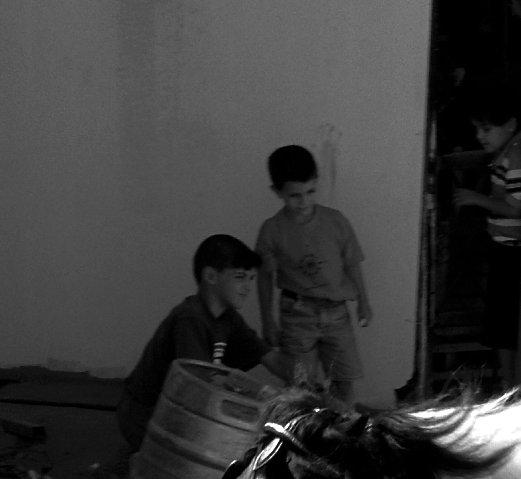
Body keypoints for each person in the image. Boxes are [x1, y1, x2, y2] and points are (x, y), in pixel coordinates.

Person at [114, 235, 290, 452]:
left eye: (252, 279)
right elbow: (201, 383)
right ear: (210, 276)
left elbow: (271, 357)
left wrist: (307, 384)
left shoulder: (229, 318)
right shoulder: (190, 318)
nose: (247, 287)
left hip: (177, 412)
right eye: (240, 277)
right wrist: (263, 395)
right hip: (148, 417)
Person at [255, 145, 371, 406]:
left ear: (316, 184)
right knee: (300, 384)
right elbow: (265, 278)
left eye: (310, 192)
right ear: (278, 192)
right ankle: (305, 433)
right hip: (296, 314)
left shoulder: (336, 221)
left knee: (344, 377)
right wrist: (267, 321)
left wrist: (364, 301)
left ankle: (345, 429)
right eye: (295, 196)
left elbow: (352, 263)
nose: (304, 202)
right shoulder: (272, 230)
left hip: (337, 312)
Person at [452, 87, 521, 373]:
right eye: (477, 129)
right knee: (501, 325)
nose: (480, 136)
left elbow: (515, 208)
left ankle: (513, 385)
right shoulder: (510, 151)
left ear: (509, 124)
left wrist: (475, 198)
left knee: (505, 326)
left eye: (486, 129)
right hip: (504, 248)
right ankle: (512, 385)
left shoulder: (517, 155)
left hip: (512, 252)